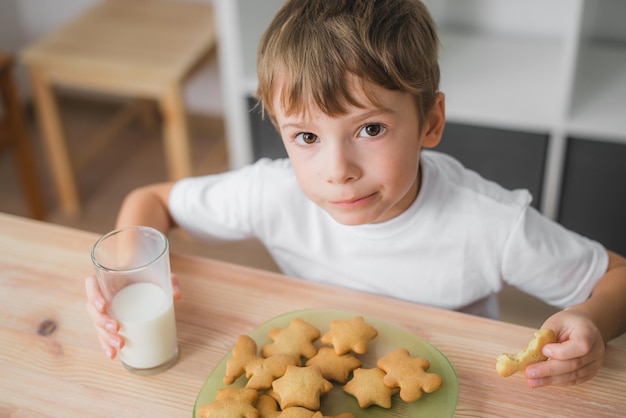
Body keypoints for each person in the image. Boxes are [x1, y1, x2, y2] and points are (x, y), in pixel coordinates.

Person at [85, 0, 626, 388]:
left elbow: (617, 279)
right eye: (307, 137)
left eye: (369, 130)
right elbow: (150, 202)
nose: (336, 170)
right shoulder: (272, 192)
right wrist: (129, 279)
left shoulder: (489, 224)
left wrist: (591, 324)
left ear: (430, 121)